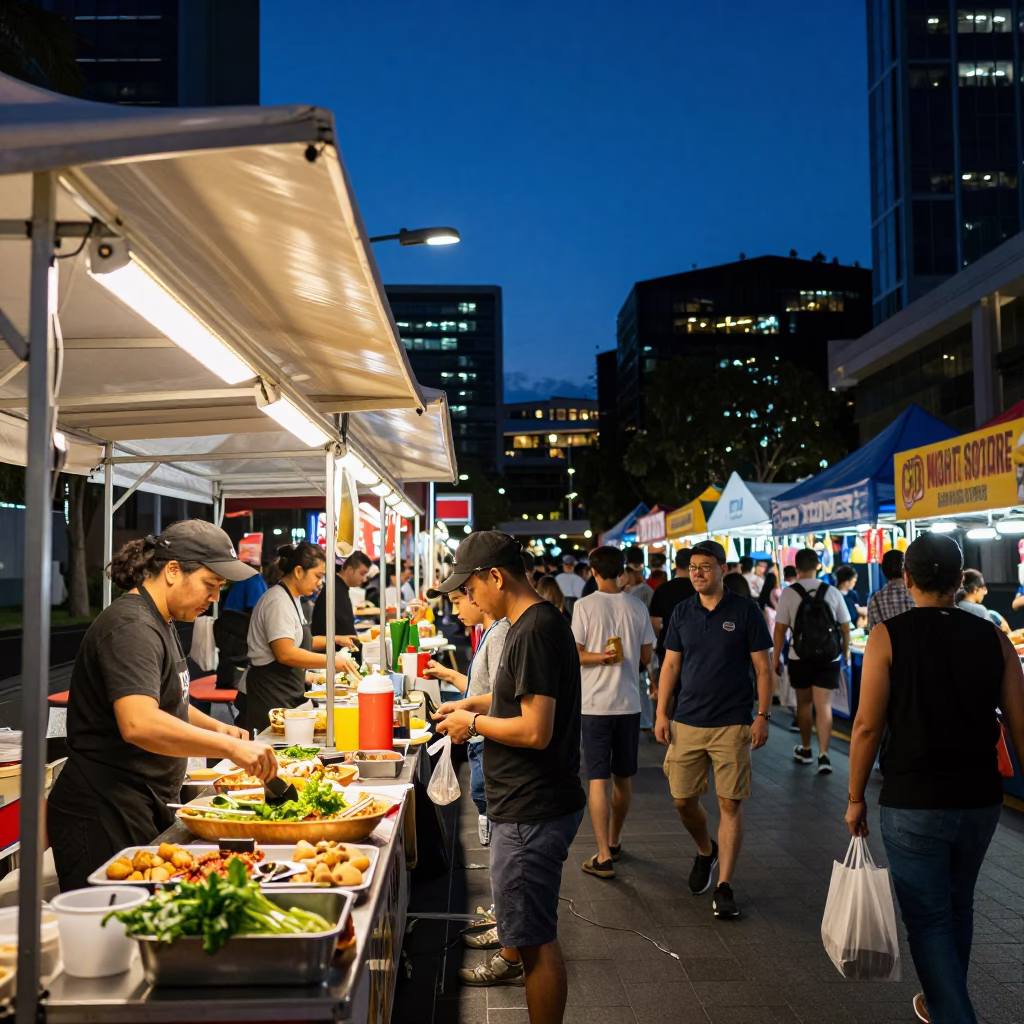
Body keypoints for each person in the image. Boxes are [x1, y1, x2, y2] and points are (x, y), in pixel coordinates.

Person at [846, 533, 1024, 1024]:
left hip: (913, 800)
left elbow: (865, 725)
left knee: (927, 920)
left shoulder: (888, 635)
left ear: (908, 579)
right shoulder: (993, 637)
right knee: (957, 903)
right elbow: (1019, 720)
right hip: (980, 799)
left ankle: (953, 1011)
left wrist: (855, 795)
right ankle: (940, 1002)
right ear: (957, 581)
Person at [47, 522, 279, 891]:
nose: (215, 599)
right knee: (119, 936)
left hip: (142, 799)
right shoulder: (132, 626)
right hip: (104, 808)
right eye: (210, 584)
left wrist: (216, 727)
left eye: (221, 588)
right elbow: (139, 722)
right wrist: (230, 747)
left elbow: (170, 699)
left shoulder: (161, 620)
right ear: (173, 570)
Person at [432, 532, 586, 1017]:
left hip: (532, 807)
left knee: (536, 943)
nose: (469, 598)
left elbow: (536, 729)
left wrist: (472, 723)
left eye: (471, 587)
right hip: (525, 803)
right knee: (528, 934)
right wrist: (470, 703)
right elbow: (513, 698)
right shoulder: (523, 624)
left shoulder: (535, 629)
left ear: (495, 576)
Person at [654, 540, 773, 919]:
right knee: (681, 799)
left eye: (705, 566)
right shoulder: (681, 612)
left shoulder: (745, 610)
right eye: (692, 567)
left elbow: (763, 668)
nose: (698, 573)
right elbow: (671, 666)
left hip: (733, 723)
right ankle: (706, 849)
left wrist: (763, 715)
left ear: (723, 569)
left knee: (729, 804)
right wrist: (661, 713)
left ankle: (724, 885)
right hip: (687, 720)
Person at [571, 546, 655, 879]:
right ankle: (616, 839)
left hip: (594, 706)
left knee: (597, 779)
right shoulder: (637, 606)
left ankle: (603, 853)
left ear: (593, 570)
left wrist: (599, 658)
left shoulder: (583, 606)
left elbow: (575, 655)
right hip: (629, 704)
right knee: (623, 778)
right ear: (621, 571)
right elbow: (647, 657)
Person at [241, 543, 359, 734]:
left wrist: (336, 639)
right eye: (317, 576)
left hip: (285, 689)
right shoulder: (277, 602)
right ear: (298, 571)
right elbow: (286, 653)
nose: (320, 583)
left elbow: (301, 641)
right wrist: (332, 661)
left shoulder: (293, 599)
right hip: (268, 694)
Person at [423, 589, 509, 851]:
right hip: (481, 740)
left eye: (459, 601)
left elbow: (502, 698)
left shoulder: (499, 633)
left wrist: (466, 713)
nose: (458, 610)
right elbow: (480, 689)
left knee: (495, 823)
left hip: (489, 741)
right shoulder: (486, 632)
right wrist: (448, 675)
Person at [772, 548, 850, 775]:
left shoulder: (789, 593)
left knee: (804, 704)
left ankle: (806, 749)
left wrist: (776, 657)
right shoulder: (832, 591)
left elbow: (779, 630)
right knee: (823, 705)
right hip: (829, 657)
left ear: (796, 568)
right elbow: (845, 628)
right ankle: (824, 755)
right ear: (818, 565)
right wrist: (844, 653)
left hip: (800, 656)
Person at [649, 549, 696, 700]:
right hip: (695, 649)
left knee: (667, 692)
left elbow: (655, 624)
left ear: (676, 564)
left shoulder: (662, 589)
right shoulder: (699, 589)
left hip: (667, 649)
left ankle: (667, 721)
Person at [310, 550, 372, 650]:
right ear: (349, 569)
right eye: (362, 573)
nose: (364, 579)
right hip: (331, 656)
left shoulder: (339, 587)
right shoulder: (334, 590)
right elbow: (344, 630)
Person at [866, 550, 914, 632]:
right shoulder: (918, 595)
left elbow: (873, 633)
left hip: (887, 644)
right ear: (907, 570)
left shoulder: (875, 600)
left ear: (883, 572)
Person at [957, 569, 1012, 634]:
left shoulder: (954, 605)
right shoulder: (979, 610)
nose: (985, 592)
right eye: (983, 587)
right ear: (975, 589)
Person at [835, 564, 866, 629]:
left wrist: (860, 618)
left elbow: (857, 608)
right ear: (846, 582)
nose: (854, 583)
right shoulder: (835, 595)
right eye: (853, 581)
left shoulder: (853, 594)